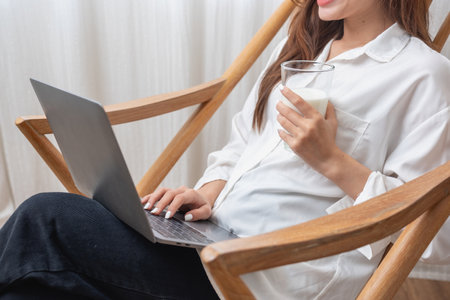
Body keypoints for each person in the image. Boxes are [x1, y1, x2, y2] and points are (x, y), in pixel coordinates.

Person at [1, 0, 449, 299]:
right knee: (45, 271)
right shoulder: (305, 48)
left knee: (44, 222)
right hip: (210, 237)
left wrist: (331, 161)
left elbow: (432, 236)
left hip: (262, 274)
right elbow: (242, 143)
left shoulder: (423, 75)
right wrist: (209, 192)